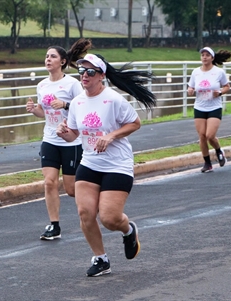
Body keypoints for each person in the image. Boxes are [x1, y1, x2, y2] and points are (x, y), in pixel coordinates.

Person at [56, 53, 157, 276]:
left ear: (101, 75)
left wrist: (111, 136)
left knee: (110, 219)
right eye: (81, 71)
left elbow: (135, 123)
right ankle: (101, 259)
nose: (84, 75)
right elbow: (74, 135)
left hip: (117, 164)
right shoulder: (77, 103)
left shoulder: (114, 100)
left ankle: (128, 230)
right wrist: (64, 133)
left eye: (90, 72)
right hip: (90, 162)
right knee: (85, 212)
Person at [26, 39, 91, 240]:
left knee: (71, 189)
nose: (48, 59)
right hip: (50, 139)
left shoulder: (72, 84)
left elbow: (84, 106)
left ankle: (91, 210)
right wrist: (34, 110)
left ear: (62, 62)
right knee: (49, 182)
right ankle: (54, 225)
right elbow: (43, 113)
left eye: (53, 56)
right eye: (47, 56)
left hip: (71, 141)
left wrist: (64, 104)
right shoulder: (42, 85)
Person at [187, 47, 231, 173]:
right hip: (199, 106)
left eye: (207, 55)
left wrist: (220, 92)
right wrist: (190, 90)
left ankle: (218, 151)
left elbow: (227, 86)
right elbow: (190, 87)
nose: (204, 57)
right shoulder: (196, 72)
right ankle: (207, 163)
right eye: (202, 55)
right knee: (202, 136)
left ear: (212, 57)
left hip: (214, 107)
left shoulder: (218, 72)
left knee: (210, 136)